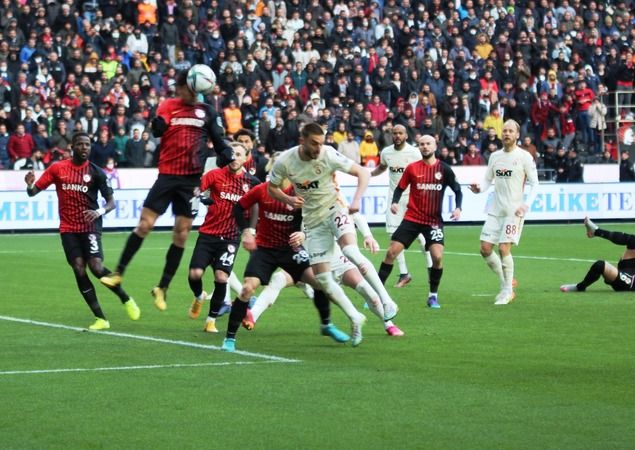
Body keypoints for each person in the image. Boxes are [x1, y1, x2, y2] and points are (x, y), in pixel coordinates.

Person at [100, 70, 233, 311]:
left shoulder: (208, 112)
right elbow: (159, 128)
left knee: (181, 234)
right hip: (167, 176)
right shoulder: (169, 105)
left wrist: (227, 155)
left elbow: (219, 142)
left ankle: (162, 287)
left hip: (191, 181)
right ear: (181, 89)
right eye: (184, 89)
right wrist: (158, 124)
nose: (187, 93)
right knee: (144, 225)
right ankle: (118, 273)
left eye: (191, 90)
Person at [268, 122, 400, 346]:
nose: (319, 148)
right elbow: (272, 187)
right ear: (302, 140)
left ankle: (387, 301)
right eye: (314, 143)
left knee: (350, 250)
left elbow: (362, 173)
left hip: (335, 209)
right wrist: (288, 199)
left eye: (321, 142)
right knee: (323, 280)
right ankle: (355, 317)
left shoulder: (328, 154)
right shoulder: (285, 161)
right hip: (313, 222)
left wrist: (357, 200)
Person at [217, 175, 351, 352]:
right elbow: (238, 207)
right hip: (264, 250)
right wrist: (247, 232)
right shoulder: (262, 189)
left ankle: (326, 325)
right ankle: (229, 338)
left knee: (320, 283)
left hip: (291, 250)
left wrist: (303, 234)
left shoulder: (300, 192)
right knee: (247, 289)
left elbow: (315, 218)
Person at [24, 132, 140, 330]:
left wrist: (99, 211)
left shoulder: (96, 172)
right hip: (68, 228)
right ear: (72, 146)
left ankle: (125, 298)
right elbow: (33, 193)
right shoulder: (58, 169)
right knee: (78, 268)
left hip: (90, 226)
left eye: (87, 144)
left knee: (95, 267)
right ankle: (101, 318)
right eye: (80, 144)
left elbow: (111, 202)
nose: (84, 147)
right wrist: (29, 185)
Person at [378, 134, 462, 308]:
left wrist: (458, 208)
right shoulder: (412, 168)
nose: (424, 147)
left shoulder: (444, 169)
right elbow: (400, 188)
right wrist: (394, 202)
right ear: (419, 147)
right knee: (391, 252)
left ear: (435, 146)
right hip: (412, 218)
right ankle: (377, 293)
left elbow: (457, 190)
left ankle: (433, 296)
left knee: (437, 257)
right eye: (421, 144)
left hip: (433, 221)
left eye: (428, 144)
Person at [186, 142, 260, 334]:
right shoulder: (215, 175)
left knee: (221, 277)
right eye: (231, 153)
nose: (234, 157)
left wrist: (250, 230)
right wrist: (199, 196)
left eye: (238, 154)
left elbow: (256, 207)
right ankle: (199, 296)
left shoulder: (252, 182)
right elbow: (195, 189)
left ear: (246, 158)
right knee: (194, 274)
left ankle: (211, 321)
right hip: (208, 234)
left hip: (230, 238)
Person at [469, 120, 539, 305]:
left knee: (503, 248)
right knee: (485, 249)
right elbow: (487, 180)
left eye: (510, 131)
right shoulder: (495, 156)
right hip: (495, 210)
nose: (507, 134)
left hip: (513, 211)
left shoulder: (524, 157)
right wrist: (479, 189)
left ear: (517, 135)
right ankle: (506, 282)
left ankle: (507, 291)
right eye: (505, 131)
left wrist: (526, 204)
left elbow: (535, 184)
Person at [371, 124, 431, 288]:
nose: (397, 135)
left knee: (420, 237)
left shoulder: (414, 153)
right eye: (394, 133)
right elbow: (382, 168)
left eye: (400, 133)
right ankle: (404, 273)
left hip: (413, 199)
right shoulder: (386, 152)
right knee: (394, 236)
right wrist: (368, 174)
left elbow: (424, 172)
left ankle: (431, 268)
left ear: (405, 135)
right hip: (394, 200)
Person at [561, 218, 635, 293]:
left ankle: (580, 287)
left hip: (630, 283)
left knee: (600, 265)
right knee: (633, 240)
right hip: (627, 268)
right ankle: (596, 231)